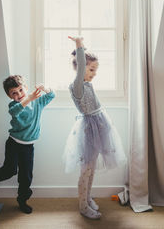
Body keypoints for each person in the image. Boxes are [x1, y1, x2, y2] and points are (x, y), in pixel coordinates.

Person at [63, 36, 126, 220]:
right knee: (86, 170)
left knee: (92, 169)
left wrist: (84, 50)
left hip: (98, 127)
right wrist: (79, 46)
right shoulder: (77, 86)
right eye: (92, 69)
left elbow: (84, 65)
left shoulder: (87, 83)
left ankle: (88, 197)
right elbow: (82, 64)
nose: (94, 73)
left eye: (95, 70)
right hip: (89, 131)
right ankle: (82, 206)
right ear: (80, 68)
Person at [0, 75, 55, 214]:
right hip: (14, 144)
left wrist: (45, 89)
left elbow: (51, 95)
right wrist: (28, 99)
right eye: (14, 93)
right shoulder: (14, 105)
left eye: (20, 90)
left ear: (26, 88)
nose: (19, 94)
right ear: (9, 96)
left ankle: (22, 200)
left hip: (28, 147)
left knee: (26, 176)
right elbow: (14, 111)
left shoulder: (38, 103)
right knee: (10, 171)